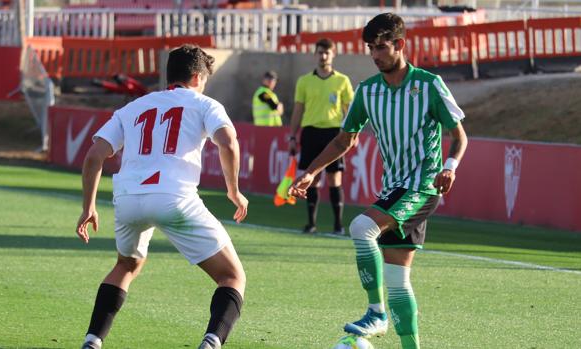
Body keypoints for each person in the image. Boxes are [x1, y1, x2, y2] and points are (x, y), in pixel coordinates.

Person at [289, 13, 468, 349]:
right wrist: (311, 172)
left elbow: (459, 136)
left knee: (360, 228)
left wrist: (450, 166)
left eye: (381, 47)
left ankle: (375, 312)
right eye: (370, 48)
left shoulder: (429, 85)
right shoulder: (367, 91)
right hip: (394, 188)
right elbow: (344, 140)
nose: (375, 55)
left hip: (422, 185)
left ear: (399, 44)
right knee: (398, 280)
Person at [75, 45, 248, 349]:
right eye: (205, 79)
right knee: (232, 277)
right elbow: (228, 144)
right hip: (174, 197)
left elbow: (93, 156)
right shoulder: (205, 104)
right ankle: (211, 343)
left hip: (128, 199)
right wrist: (233, 190)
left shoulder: (133, 107)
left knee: (126, 266)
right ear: (197, 76)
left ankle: (93, 340)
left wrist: (88, 206)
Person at [288, 37, 354, 235]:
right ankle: (311, 224)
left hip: (334, 134)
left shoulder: (342, 81)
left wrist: (352, 132)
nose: (323, 56)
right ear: (315, 54)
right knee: (312, 178)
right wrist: (293, 136)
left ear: (333, 54)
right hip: (310, 133)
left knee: (335, 179)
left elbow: (348, 110)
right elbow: (298, 110)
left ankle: (338, 225)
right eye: (320, 52)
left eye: (327, 52)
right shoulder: (304, 81)